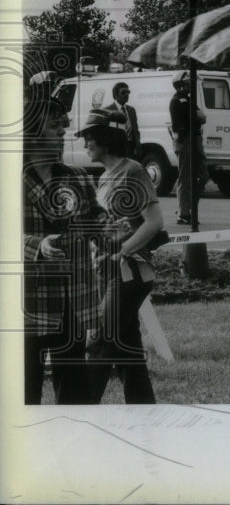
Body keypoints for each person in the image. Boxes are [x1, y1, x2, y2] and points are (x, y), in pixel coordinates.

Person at [77, 109, 163, 403]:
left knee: (100, 340)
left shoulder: (133, 171)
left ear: (105, 138)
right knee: (128, 351)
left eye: (89, 137)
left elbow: (154, 222)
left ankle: (80, 415)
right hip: (109, 272)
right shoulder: (104, 178)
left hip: (130, 274)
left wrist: (122, 251)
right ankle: (145, 414)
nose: (85, 143)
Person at [22, 94, 102, 404]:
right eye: (55, 125)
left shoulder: (77, 177)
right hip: (27, 302)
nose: (62, 131)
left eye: (63, 126)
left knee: (74, 395)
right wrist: (37, 245)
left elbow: (97, 221)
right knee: (24, 392)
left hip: (72, 301)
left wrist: (112, 229)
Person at [169, 71, 208, 225]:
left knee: (203, 175)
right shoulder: (178, 100)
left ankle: (188, 207)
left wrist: (198, 116)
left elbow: (202, 117)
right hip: (185, 140)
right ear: (180, 84)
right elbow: (197, 117)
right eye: (187, 82)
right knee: (184, 177)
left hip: (196, 139)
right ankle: (183, 213)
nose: (190, 85)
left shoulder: (189, 100)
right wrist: (198, 116)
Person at [109, 81, 142, 160]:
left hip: (131, 150)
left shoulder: (131, 110)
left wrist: (137, 145)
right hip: (116, 150)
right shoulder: (108, 111)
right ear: (115, 95)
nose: (127, 95)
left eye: (128, 92)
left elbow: (135, 130)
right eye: (123, 92)